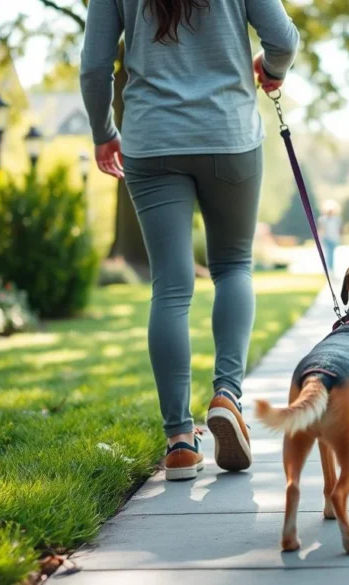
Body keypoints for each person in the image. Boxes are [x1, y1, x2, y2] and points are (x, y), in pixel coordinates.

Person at [80, 0, 299, 481]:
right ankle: (227, 396)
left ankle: (179, 439)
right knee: (233, 267)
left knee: (172, 287)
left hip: (151, 140)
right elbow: (282, 39)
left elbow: (96, 67)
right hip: (229, 134)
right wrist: (272, 69)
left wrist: (103, 130)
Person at [318, 200, 342, 275]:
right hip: (326, 239)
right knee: (328, 254)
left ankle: (331, 269)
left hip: (334, 239)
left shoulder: (337, 219)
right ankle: (327, 269)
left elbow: (339, 230)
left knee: (331, 255)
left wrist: (339, 238)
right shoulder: (323, 219)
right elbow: (321, 229)